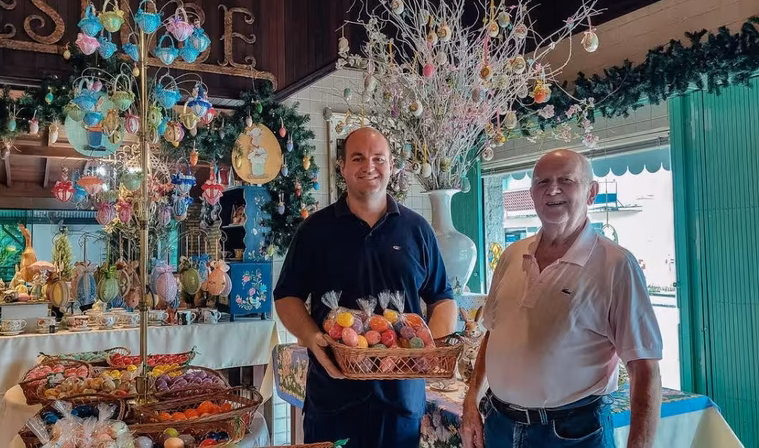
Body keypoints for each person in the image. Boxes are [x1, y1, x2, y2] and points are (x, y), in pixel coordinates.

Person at [462, 149, 663, 448]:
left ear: (591, 192)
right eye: (542, 182)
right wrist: (471, 401)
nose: (552, 190)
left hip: (572, 434)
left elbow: (645, 369)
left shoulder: (616, 265)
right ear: (532, 194)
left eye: (566, 180)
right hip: (499, 425)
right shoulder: (511, 255)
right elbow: (493, 333)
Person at [274, 127, 458, 448]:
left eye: (378, 159)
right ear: (342, 167)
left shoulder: (417, 229)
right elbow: (287, 296)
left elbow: (442, 297)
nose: (369, 166)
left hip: (401, 400)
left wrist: (427, 348)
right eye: (358, 158)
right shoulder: (315, 230)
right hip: (333, 396)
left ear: (391, 166)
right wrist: (311, 336)